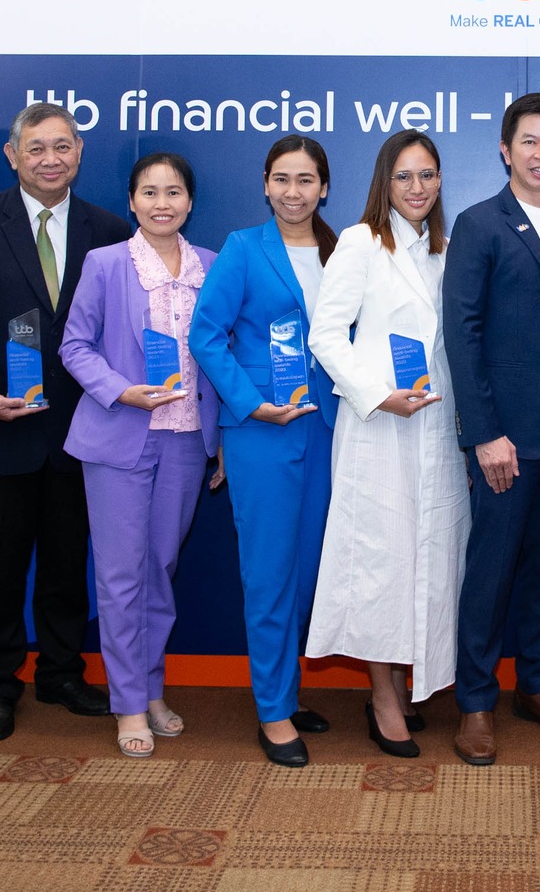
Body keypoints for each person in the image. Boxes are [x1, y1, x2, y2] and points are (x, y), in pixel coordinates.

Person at [0, 101, 131, 741]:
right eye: (36, 147)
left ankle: (62, 673)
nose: (50, 159)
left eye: (62, 146)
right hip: (1, 424)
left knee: (69, 563)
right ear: (12, 155)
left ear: (79, 153)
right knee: (0, 567)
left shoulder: (109, 229)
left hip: (83, 428)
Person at [441, 92, 540, 766]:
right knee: (492, 568)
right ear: (505, 149)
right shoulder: (480, 223)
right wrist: (484, 433)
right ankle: (476, 700)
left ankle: (537, 685)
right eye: (530, 141)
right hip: (507, 430)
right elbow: (462, 333)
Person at [305, 131, 466, 759]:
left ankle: (403, 682)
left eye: (427, 175)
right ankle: (381, 696)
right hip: (378, 427)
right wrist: (376, 394)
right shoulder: (360, 242)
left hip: (436, 427)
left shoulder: (446, 251)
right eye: (404, 177)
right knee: (380, 561)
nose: (417, 188)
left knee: (427, 560)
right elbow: (325, 335)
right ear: (384, 182)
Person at [60, 152, 222, 757]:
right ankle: (127, 702)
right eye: (149, 192)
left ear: (189, 201)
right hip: (118, 437)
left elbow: (220, 353)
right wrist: (120, 390)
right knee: (121, 577)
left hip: (185, 439)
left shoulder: (211, 266)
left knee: (160, 570)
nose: (162, 203)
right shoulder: (105, 263)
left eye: (173, 192)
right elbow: (75, 346)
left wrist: (223, 438)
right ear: (131, 201)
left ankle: (151, 689)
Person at [191, 135, 342, 766]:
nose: (292, 192)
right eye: (281, 179)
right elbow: (206, 334)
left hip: (330, 427)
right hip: (261, 431)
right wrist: (250, 404)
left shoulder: (344, 249)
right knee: (270, 573)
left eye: (305, 180)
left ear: (324, 188)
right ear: (265, 185)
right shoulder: (243, 247)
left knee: (309, 574)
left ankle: (285, 689)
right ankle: (274, 712)